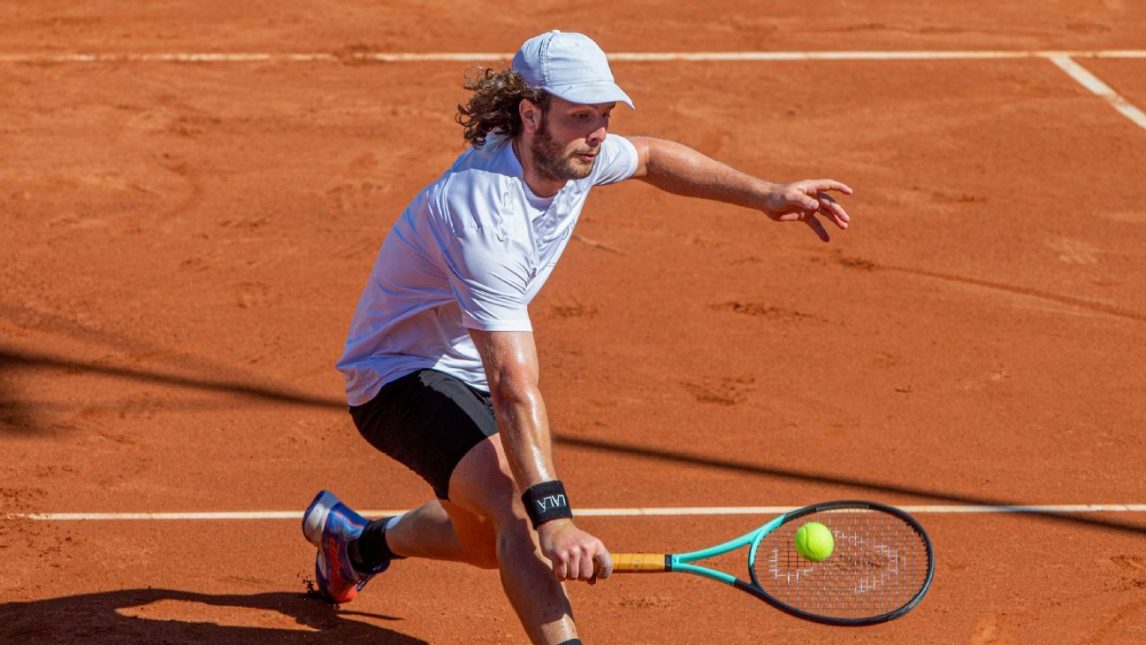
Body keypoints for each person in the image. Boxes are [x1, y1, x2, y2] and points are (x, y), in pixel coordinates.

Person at [302, 30, 852, 645]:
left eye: (603, 115)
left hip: (464, 365)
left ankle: (358, 544)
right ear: (529, 114)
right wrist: (555, 521)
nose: (597, 132)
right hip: (398, 376)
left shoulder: (571, 155)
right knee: (520, 515)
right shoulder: (485, 216)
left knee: (483, 543)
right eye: (580, 116)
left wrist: (765, 194)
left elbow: (648, 157)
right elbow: (514, 387)